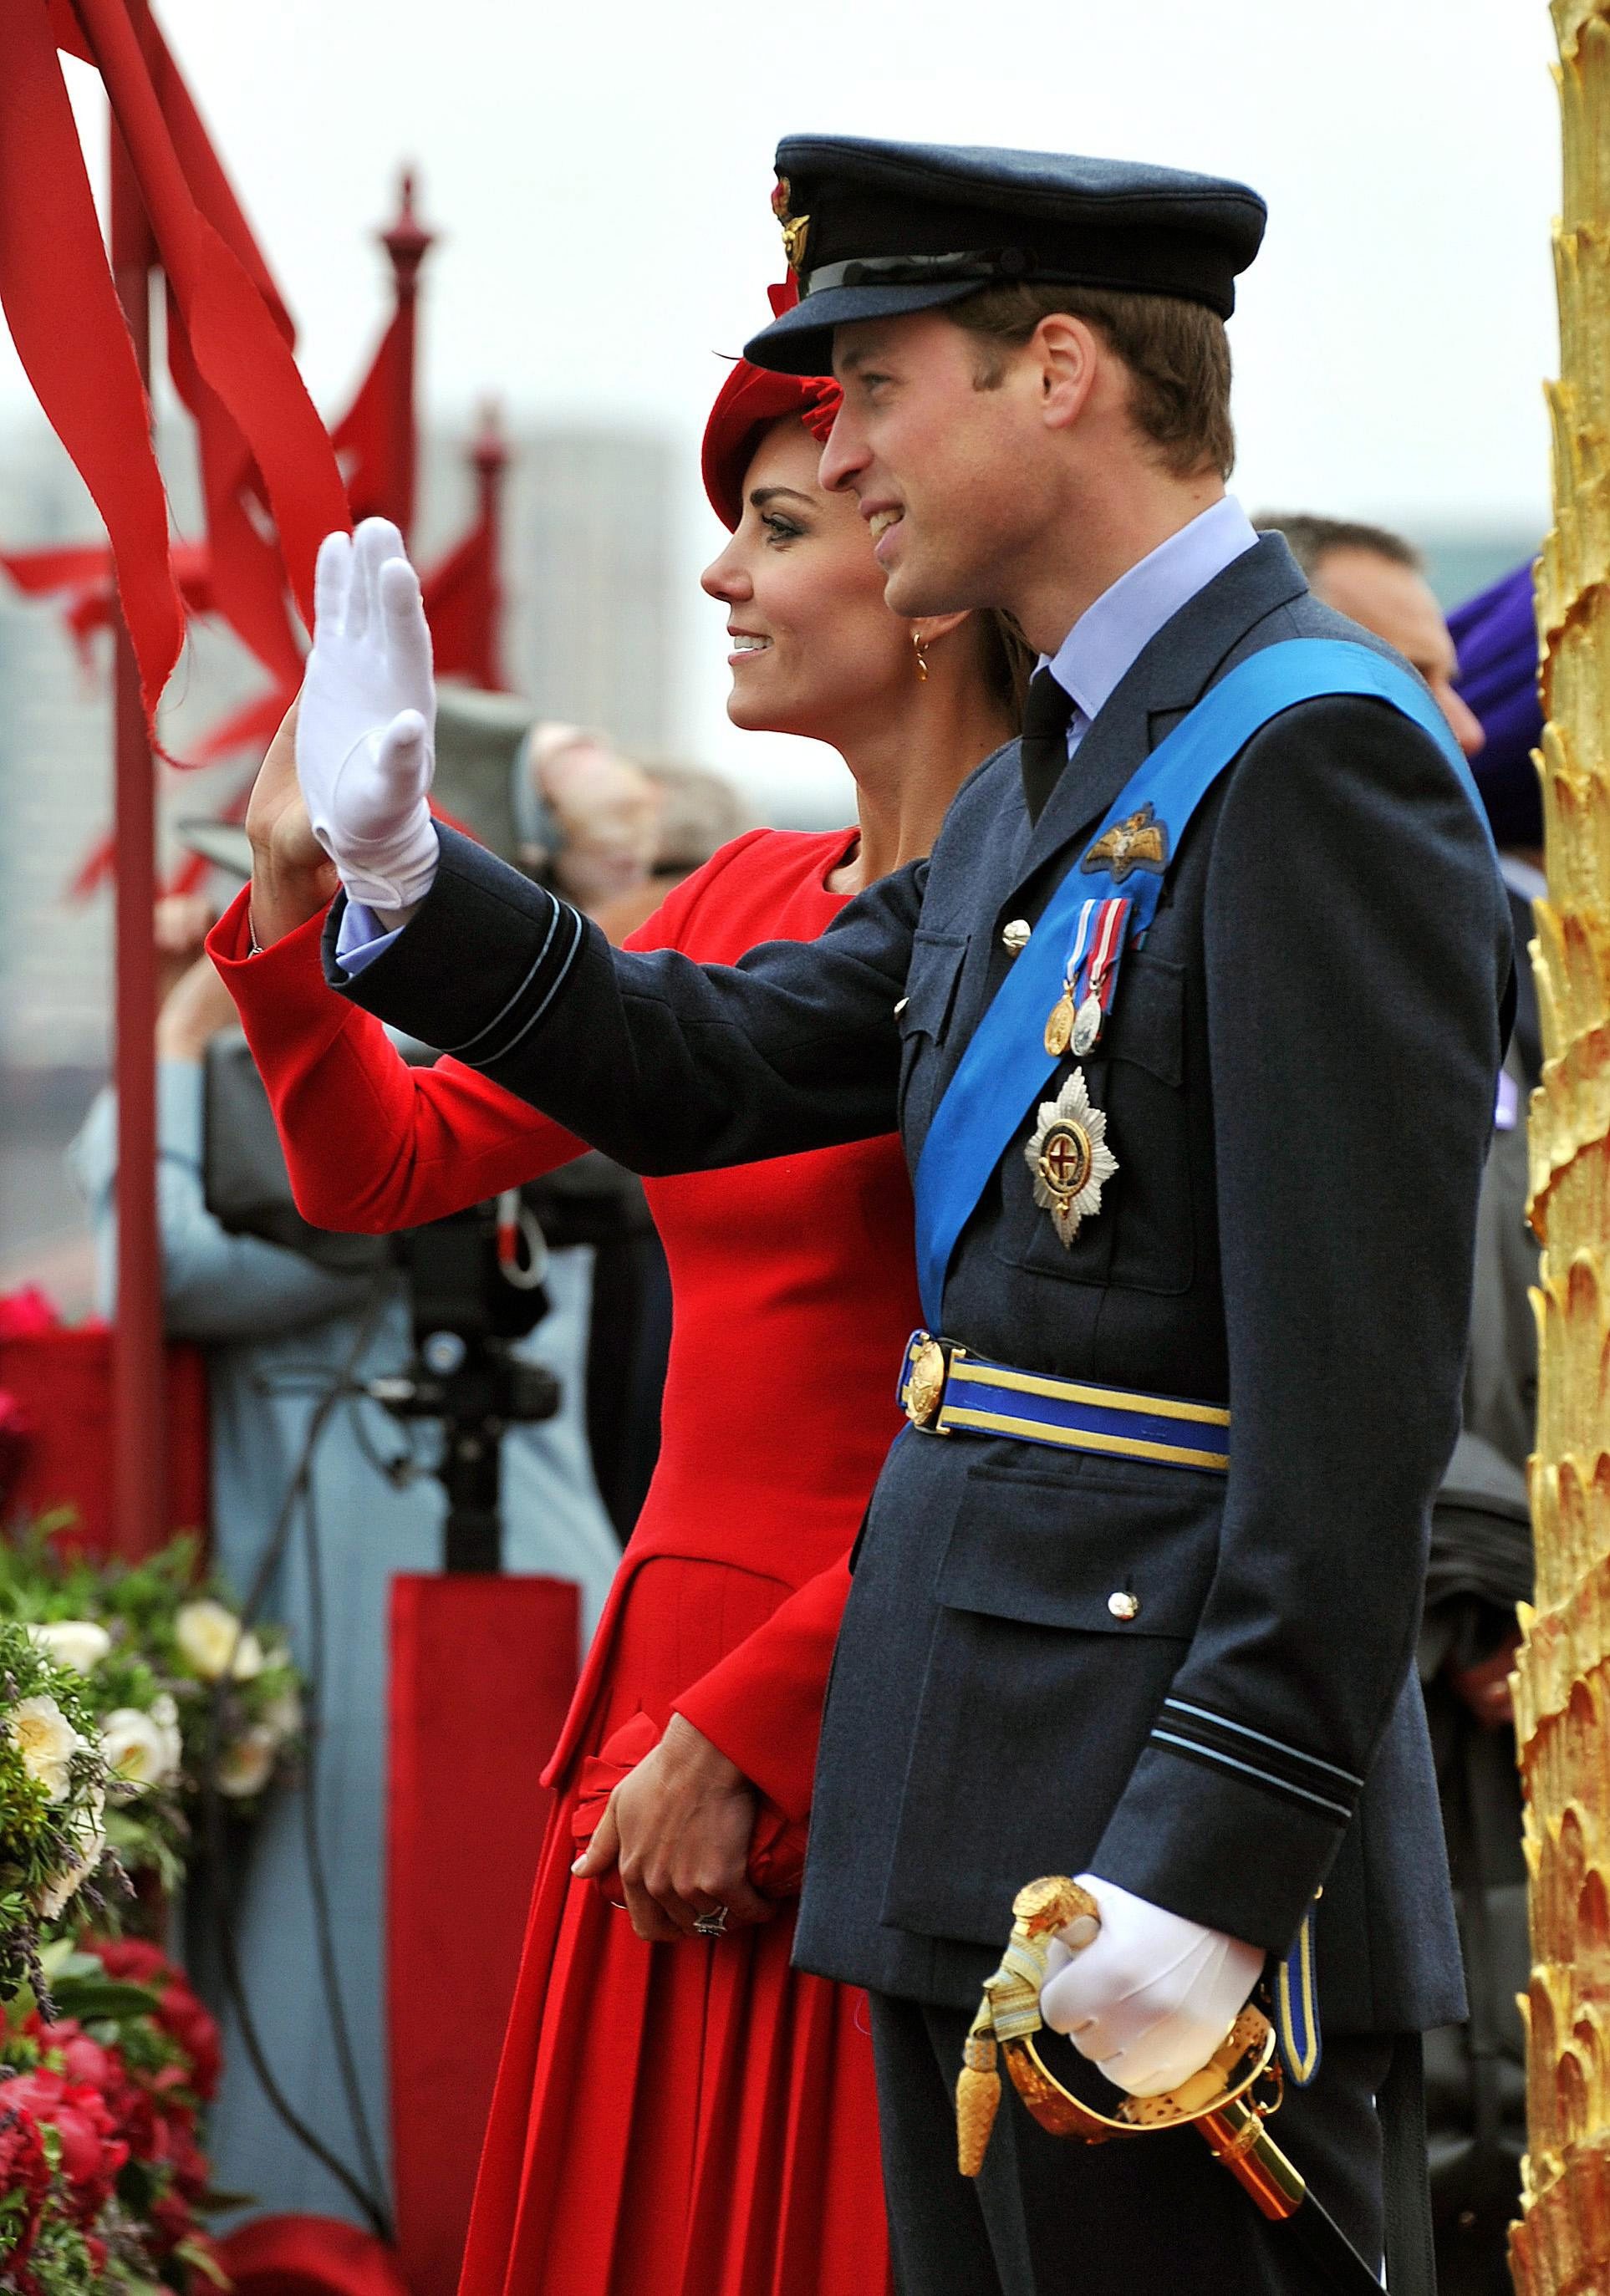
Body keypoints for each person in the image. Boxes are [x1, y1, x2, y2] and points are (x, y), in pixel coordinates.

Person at [279, 140, 1514, 2296]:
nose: (840, 450)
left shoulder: (1309, 750)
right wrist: (403, 877)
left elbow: (1356, 1416)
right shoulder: (1064, 773)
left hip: (1164, 1858)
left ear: (1061, 373)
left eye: (872, 387)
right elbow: (723, 1063)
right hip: (971, 1808)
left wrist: (1207, 1875)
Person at [209, 323, 1028, 2294]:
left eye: (780, 527)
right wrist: (301, 904)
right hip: (666, 1672)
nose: (722, 574)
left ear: (927, 573)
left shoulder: (1048, 920)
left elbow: (1042, 1384)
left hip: (868, 1672)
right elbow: (385, 1168)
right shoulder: (738, 895)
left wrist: (755, 1722)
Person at [69, 895, 620, 2235]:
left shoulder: (410, 1139)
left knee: (371, 1956)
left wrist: (184, 1028)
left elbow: (151, 1256)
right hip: (425, 1586)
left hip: (434, 1603)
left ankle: (337, 2238)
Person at [1256, 521, 1539, 2293]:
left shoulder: (1521, 946)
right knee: (1415, 2119)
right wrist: (1473, 1576)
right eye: (1412, 673)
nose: (1465, 719)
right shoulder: (1260, 932)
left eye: (1456, 668)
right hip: (1382, 1657)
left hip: (1533, 1625)